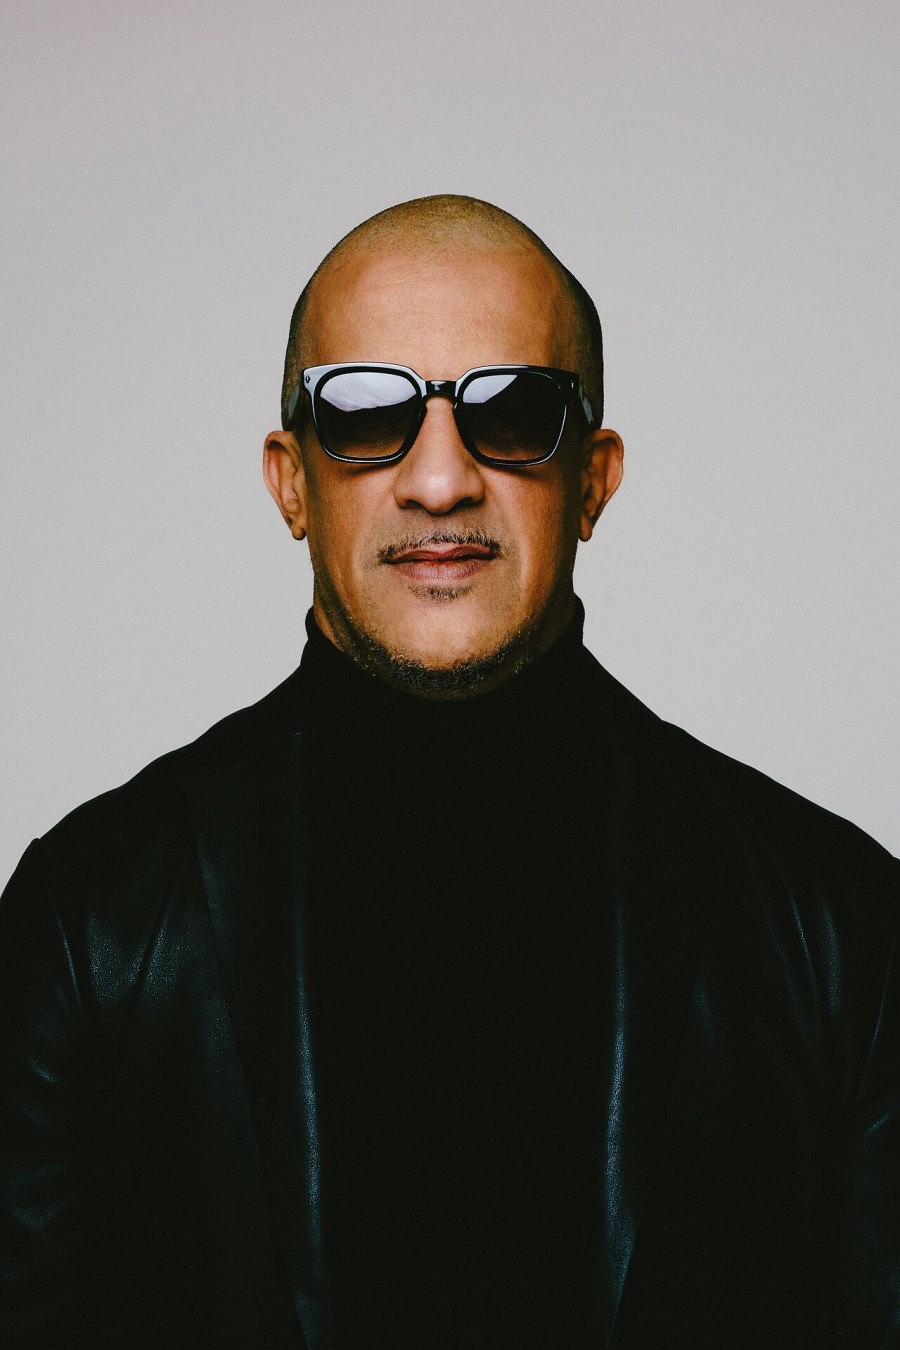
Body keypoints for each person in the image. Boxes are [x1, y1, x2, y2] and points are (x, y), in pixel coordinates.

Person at [1, 194, 898, 1350]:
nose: (439, 481)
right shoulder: (87, 922)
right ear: (288, 480)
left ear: (594, 479)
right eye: (362, 412)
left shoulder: (841, 929)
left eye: (513, 411)